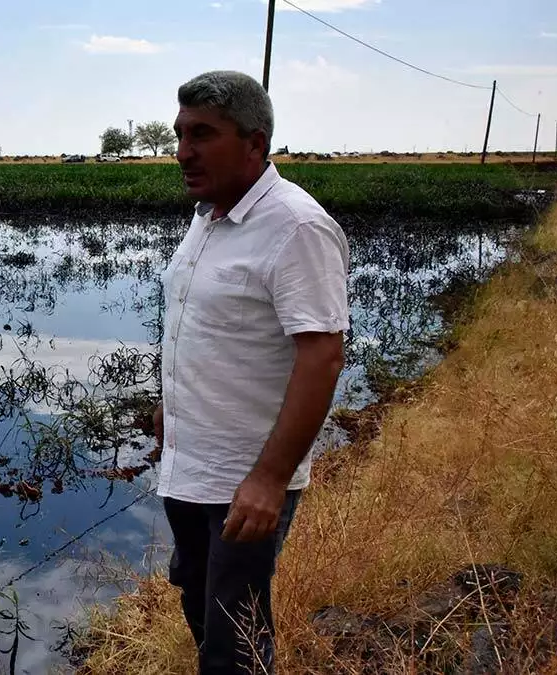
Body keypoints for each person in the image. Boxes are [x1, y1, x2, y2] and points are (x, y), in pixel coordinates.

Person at [152, 70, 349, 674]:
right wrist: (170, 407)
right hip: (188, 463)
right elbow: (205, 325)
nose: (183, 152)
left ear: (255, 144)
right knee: (198, 602)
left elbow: (323, 355)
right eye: (180, 134)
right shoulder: (209, 215)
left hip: (245, 484)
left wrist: (269, 478)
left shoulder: (297, 227)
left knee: (232, 644)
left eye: (203, 135)